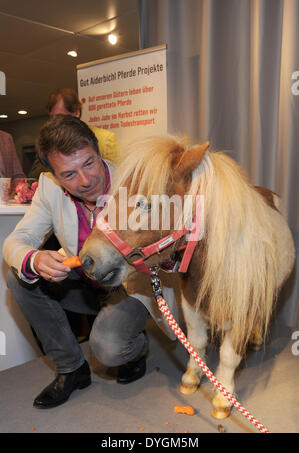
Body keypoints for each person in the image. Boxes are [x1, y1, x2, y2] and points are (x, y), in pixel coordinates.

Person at [3, 115, 178, 409]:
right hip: (83, 283)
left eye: (89, 163)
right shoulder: (48, 189)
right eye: (69, 175)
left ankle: (135, 348)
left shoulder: (134, 181)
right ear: (54, 176)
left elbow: (168, 245)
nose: (85, 181)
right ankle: (72, 369)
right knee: (19, 279)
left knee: (108, 349)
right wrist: (34, 259)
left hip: (129, 286)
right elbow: (15, 241)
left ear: (98, 152)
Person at [28, 88, 119, 179]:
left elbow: (115, 177)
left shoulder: (104, 139)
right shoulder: (48, 143)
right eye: (52, 117)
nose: (55, 122)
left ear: (76, 113)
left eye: (60, 116)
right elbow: (35, 176)